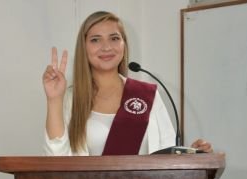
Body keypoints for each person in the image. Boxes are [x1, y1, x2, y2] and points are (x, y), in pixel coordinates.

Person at [42, 10, 212, 156]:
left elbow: (167, 155)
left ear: (124, 44)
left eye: (114, 38)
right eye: (95, 39)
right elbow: (57, 158)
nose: (106, 47)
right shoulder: (71, 99)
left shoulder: (147, 95)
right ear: (84, 47)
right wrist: (54, 99)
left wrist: (191, 154)